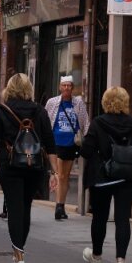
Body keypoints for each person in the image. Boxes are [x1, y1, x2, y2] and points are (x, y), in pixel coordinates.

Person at [0, 73, 57, 263]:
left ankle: (19, 258)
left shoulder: (3, 110)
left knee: (14, 208)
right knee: (25, 208)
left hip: (10, 165)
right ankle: (19, 253)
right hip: (35, 167)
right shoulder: (39, 111)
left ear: (9, 89)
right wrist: (55, 171)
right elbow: (49, 141)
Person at [80, 86, 132, 263]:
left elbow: (86, 150)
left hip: (103, 178)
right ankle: (121, 262)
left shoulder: (98, 123)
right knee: (122, 218)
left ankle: (97, 258)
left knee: (100, 217)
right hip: (128, 178)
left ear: (105, 102)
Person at [44, 75, 89, 221]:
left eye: (69, 85)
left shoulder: (78, 103)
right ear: (60, 87)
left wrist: (86, 137)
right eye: (64, 85)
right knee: (59, 174)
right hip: (56, 142)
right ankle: (58, 206)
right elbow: (45, 120)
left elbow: (85, 122)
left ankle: (61, 205)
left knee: (65, 175)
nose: (66, 88)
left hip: (71, 142)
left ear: (73, 88)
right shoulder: (52, 102)